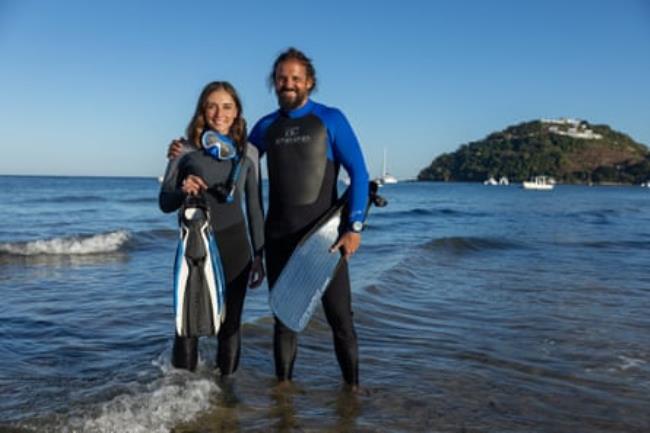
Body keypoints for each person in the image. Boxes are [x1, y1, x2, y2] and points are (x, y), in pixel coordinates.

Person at [248, 47, 369, 389]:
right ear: (275, 83)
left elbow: (359, 173)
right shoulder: (265, 127)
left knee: (340, 320)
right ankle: (283, 395)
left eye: (295, 78)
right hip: (279, 239)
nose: (288, 84)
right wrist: (188, 157)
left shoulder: (331, 119)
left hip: (324, 240)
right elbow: (233, 163)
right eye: (282, 78)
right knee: (284, 320)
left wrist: (353, 228)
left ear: (309, 82)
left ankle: (352, 392)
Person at [159, 81, 265, 377]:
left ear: (237, 112)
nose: (220, 113)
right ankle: (181, 399)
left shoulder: (250, 153)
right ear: (202, 111)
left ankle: (224, 400)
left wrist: (259, 255)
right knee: (187, 326)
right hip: (195, 248)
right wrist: (182, 190)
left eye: (227, 106)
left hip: (236, 247)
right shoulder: (184, 149)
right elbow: (165, 203)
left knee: (230, 327)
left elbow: (255, 208)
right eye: (212, 106)